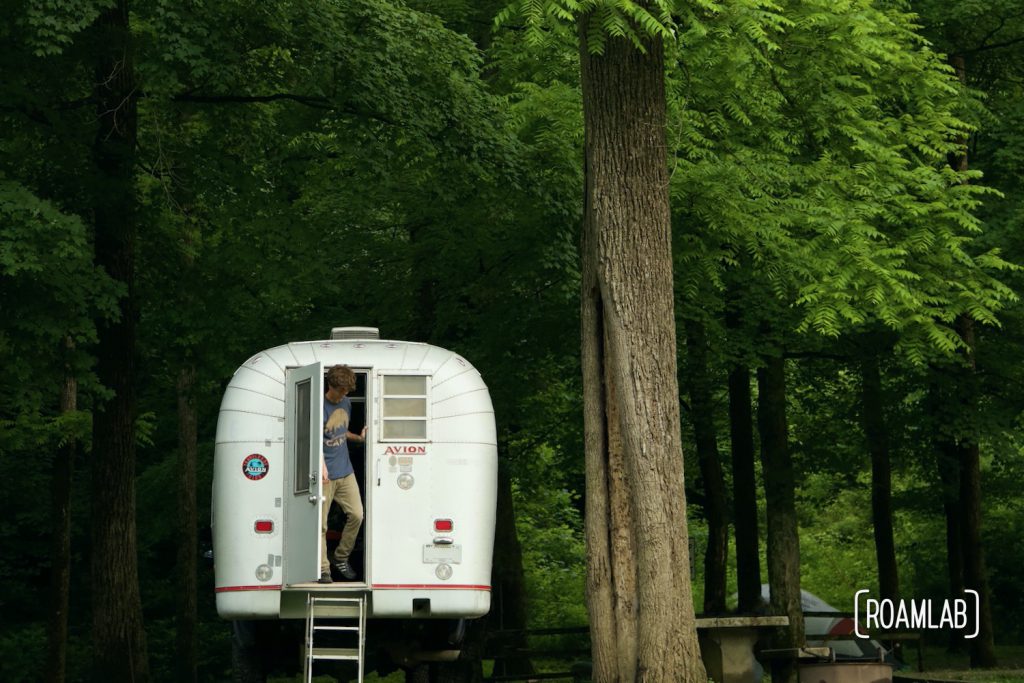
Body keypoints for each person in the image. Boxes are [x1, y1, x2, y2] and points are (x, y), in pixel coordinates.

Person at [318, 365, 366, 583]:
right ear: (331, 386)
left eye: (347, 391)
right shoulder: (318, 407)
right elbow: (309, 439)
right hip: (324, 475)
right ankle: (323, 569)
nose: (345, 395)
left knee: (357, 514)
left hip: (345, 472)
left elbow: (340, 431)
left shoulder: (345, 402)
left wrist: (358, 437)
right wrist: (320, 465)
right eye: (342, 391)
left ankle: (341, 557)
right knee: (321, 524)